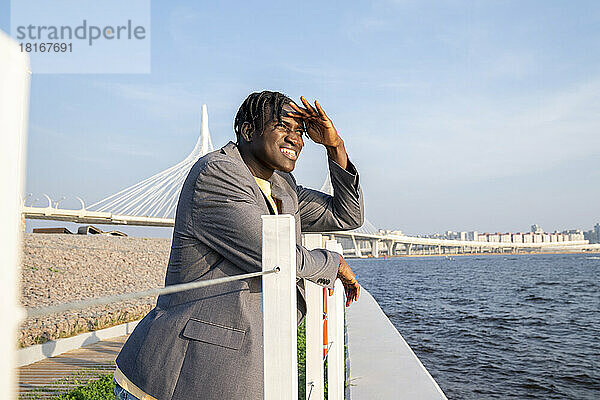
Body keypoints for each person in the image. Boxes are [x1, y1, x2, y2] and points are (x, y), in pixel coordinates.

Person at [114, 90, 363, 400]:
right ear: (248, 131)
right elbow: (274, 256)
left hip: (228, 373)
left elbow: (347, 215)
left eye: (299, 131)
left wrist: (334, 146)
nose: (295, 139)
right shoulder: (216, 174)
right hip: (173, 379)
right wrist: (333, 262)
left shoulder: (283, 187)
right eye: (283, 126)